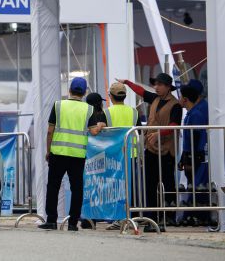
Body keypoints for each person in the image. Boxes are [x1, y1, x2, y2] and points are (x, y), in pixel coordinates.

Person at [39, 78, 105, 231]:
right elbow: (94, 131)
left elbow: (50, 131)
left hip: (58, 153)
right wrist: (101, 124)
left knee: (53, 187)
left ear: (69, 90)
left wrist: (48, 151)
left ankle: (51, 221)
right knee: (77, 188)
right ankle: (73, 223)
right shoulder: (88, 109)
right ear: (84, 93)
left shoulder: (58, 105)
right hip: (77, 155)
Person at [118, 73, 182, 231]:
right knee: (150, 184)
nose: (156, 87)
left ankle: (169, 218)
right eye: (155, 84)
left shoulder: (176, 105)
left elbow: (174, 125)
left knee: (168, 185)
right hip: (151, 150)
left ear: (168, 87)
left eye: (160, 84)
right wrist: (127, 82)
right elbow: (140, 91)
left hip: (167, 150)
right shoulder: (154, 99)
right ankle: (152, 217)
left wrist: (159, 133)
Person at [102, 81, 140, 231]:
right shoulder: (134, 112)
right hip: (132, 154)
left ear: (110, 96)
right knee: (130, 187)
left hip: (114, 156)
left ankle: (119, 218)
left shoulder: (106, 113)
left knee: (116, 187)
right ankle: (130, 216)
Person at [178, 80, 210, 225]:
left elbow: (198, 137)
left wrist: (191, 157)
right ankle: (193, 215)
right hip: (193, 156)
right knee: (195, 186)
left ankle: (196, 216)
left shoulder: (198, 113)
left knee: (198, 186)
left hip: (198, 157)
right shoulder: (194, 111)